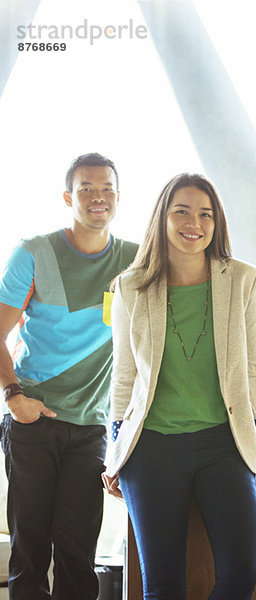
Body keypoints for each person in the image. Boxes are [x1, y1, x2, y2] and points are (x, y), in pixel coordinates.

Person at [102, 172, 256, 600]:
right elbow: (123, 379)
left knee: (240, 576)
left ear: (217, 222)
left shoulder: (243, 279)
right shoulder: (130, 286)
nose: (195, 223)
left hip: (224, 447)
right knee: (163, 587)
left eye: (206, 214)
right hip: (150, 450)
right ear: (163, 219)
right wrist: (114, 454)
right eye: (182, 211)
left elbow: (254, 372)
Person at [0, 153, 138, 600]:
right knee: (31, 550)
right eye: (86, 188)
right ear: (68, 197)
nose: (98, 196)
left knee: (79, 553)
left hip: (91, 427)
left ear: (118, 197)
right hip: (33, 421)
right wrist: (13, 396)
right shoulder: (34, 253)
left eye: (106, 188)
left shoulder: (133, 261)